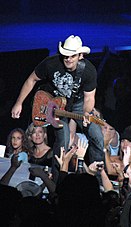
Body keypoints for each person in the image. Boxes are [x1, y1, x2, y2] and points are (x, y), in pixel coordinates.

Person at [11, 35, 104, 183]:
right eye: (65, 55)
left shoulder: (88, 71)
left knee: (97, 135)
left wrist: (86, 113)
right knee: (63, 141)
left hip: (78, 104)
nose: (67, 59)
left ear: (80, 55)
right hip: (53, 104)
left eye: (72, 56)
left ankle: (96, 180)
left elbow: (89, 97)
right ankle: (57, 182)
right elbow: (31, 79)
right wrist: (19, 103)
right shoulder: (51, 63)